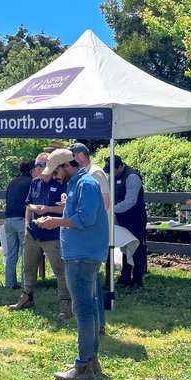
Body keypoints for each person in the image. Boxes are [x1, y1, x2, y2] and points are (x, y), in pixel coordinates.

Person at [38, 148, 109, 380]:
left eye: (56, 172)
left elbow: (86, 219)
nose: (55, 177)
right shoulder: (78, 184)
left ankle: (83, 367)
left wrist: (55, 221)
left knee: (83, 310)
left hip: (81, 256)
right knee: (88, 307)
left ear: (66, 166)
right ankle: (90, 361)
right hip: (82, 254)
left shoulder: (85, 184)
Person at [9, 153, 71, 319]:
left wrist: (47, 209)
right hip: (34, 232)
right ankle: (27, 297)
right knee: (28, 266)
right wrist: (27, 222)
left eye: (40, 165)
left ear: (49, 166)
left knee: (59, 269)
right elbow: (29, 204)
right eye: (35, 165)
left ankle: (66, 303)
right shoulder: (34, 182)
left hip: (52, 234)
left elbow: (66, 209)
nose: (36, 169)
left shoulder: (61, 184)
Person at [70, 143, 109, 334]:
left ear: (78, 156)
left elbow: (106, 203)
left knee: (92, 288)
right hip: (85, 236)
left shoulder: (95, 174)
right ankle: (97, 326)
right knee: (90, 288)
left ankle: (98, 325)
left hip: (92, 236)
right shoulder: (83, 176)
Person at [105, 155, 147, 288]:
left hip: (136, 219)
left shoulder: (132, 177)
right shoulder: (112, 176)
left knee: (137, 248)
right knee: (125, 247)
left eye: (112, 170)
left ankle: (137, 279)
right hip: (121, 218)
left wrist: (111, 210)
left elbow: (130, 201)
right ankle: (125, 276)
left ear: (120, 167)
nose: (110, 173)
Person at [3, 160, 36, 288]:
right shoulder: (31, 183)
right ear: (32, 170)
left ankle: (9, 283)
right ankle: (25, 284)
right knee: (25, 254)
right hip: (22, 220)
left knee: (11, 254)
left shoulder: (13, 182)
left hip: (8, 220)